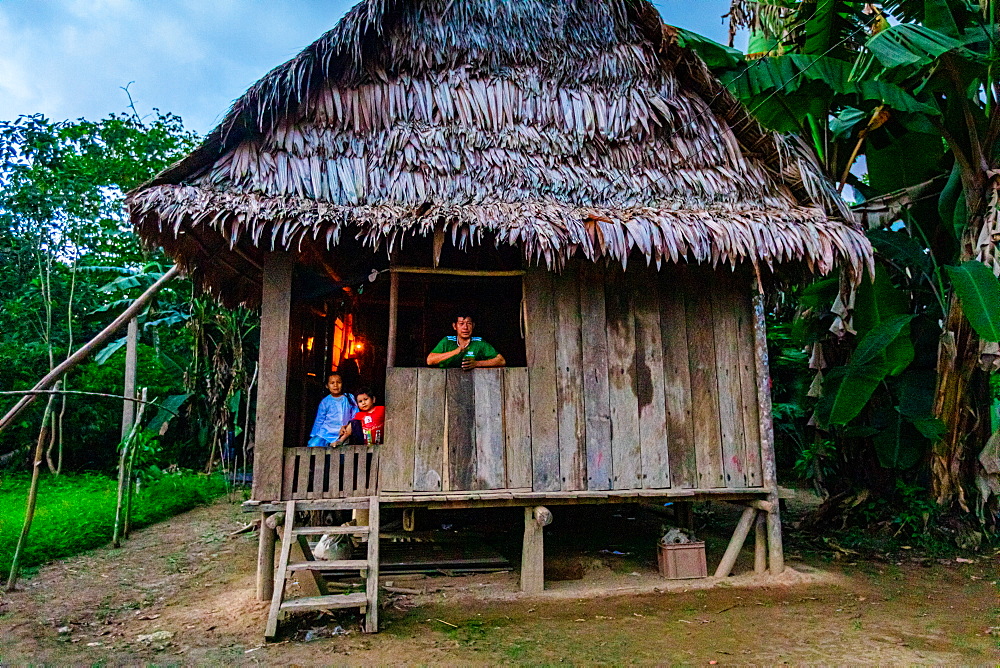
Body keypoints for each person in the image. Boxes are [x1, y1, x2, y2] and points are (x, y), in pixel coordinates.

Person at [426, 313, 506, 369]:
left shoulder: (479, 342)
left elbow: (501, 361)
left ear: (473, 326)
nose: (465, 327)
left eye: (469, 324)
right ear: (454, 326)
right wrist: (456, 351)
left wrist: (477, 363)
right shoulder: (447, 341)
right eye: (461, 323)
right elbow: (430, 361)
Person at [307, 372, 357, 447]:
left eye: (339, 382)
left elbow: (355, 415)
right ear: (327, 386)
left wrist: (349, 427)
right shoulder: (325, 401)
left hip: (343, 434)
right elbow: (319, 420)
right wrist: (314, 435)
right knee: (313, 445)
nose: (335, 385)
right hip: (325, 434)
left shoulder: (349, 398)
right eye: (332, 383)